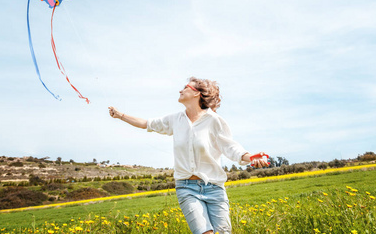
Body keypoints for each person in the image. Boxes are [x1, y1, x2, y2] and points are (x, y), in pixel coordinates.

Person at [108, 77, 268, 234]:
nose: (180, 90)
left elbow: (231, 147)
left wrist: (251, 157)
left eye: (186, 87)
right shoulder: (175, 120)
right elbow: (146, 124)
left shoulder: (214, 121)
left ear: (197, 93)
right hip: (186, 188)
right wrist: (120, 115)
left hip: (214, 188)